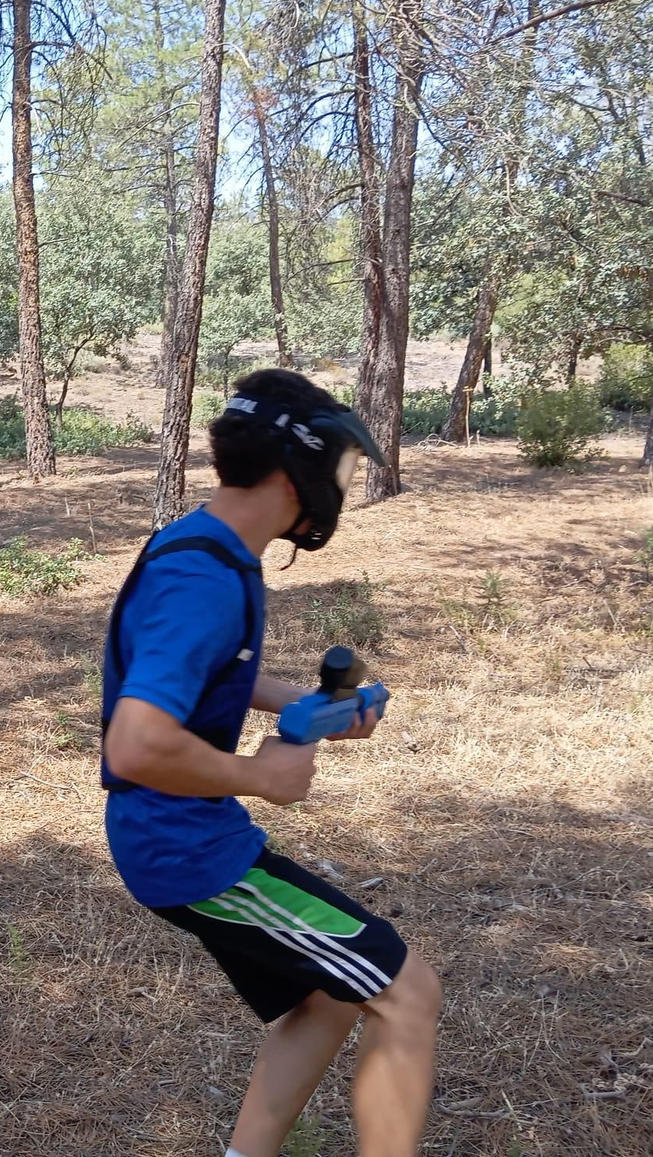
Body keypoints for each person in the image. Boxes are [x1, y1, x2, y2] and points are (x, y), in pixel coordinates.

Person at [101, 368, 441, 1157]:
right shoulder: (205, 578)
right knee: (408, 992)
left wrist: (308, 708)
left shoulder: (206, 543)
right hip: (186, 848)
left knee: (325, 996)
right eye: (341, 470)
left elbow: (211, 673)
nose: (342, 489)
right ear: (299, 473)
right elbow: (136, 741)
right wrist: (260, 773)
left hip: (181, 832)